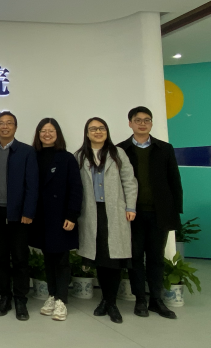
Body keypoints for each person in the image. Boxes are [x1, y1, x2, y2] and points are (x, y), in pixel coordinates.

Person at [117, 106, 182, 319]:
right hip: (131, 215)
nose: (142, 124)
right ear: (130, 123)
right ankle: (140, 300)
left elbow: (174, 181)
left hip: (159, 213)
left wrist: (175, 211)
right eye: (138, 120)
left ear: (151, 123)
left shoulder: (165, 148)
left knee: (156, 258)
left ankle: (156, 300)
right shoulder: (120, 150)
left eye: (147, 120)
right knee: (135, 258)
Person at [75, 117, 137, 324]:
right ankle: (105, 299)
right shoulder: (79, 156)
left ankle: (111, 303)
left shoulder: (118, 153)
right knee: (100, 259)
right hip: (91, 213)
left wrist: (130, 207)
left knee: (114, 260)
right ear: (87, 133)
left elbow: (129, 181)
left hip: (115, 212)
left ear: (107, 131)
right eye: (93, 129)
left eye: (101, 128)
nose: (98, 132)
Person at [29, 118, 83, 322]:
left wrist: (72, 215)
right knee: (47, 257)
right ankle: (52, 295)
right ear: (38, 134)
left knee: (61, 259)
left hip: (60, 217)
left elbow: (76, 188)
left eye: (51, 131)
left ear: (57, 134)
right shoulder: (32, 156)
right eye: (43, 130)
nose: (47, 134)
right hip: (40, 217)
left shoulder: (67, 158)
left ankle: (62, 300)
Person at [0, 111, 38, 321]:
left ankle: (20, 299)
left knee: (19, 258)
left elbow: (32, 184)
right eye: (1, 123)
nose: (5, 126)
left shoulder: (26, 151)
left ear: (15, 127)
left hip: (19, 215)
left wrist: (28, 211)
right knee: (0, 258)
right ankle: (4, 297)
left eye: (9, 123)